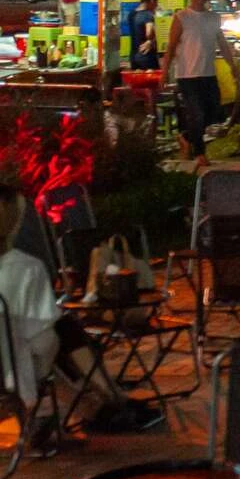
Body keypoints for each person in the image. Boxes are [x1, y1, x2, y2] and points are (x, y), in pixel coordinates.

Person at [0, 184, 161, 441]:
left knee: (55, 334)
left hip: (11, 354)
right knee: (57, 334)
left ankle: (102, 406)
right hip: (12, 362)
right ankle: (111, 401)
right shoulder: (22, 266)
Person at [159, 0, 239, 168]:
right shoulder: (182, 18)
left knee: (214, 112)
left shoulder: (213, 17)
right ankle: (200, 153)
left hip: (208, 73)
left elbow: (223, 44)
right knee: (197, 114)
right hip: (187, 75)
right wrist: (164, 72)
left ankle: (185, 137)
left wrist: (233, 66)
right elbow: (171, 47)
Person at [128, 0, 161, 71]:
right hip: (147, 56)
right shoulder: (148, 15)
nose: (157, 5)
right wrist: (152, 40)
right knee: (151, 82)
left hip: (134, 56)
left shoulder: (132, 13)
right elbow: (149, 33)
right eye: (157, 2)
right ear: (152, 0)